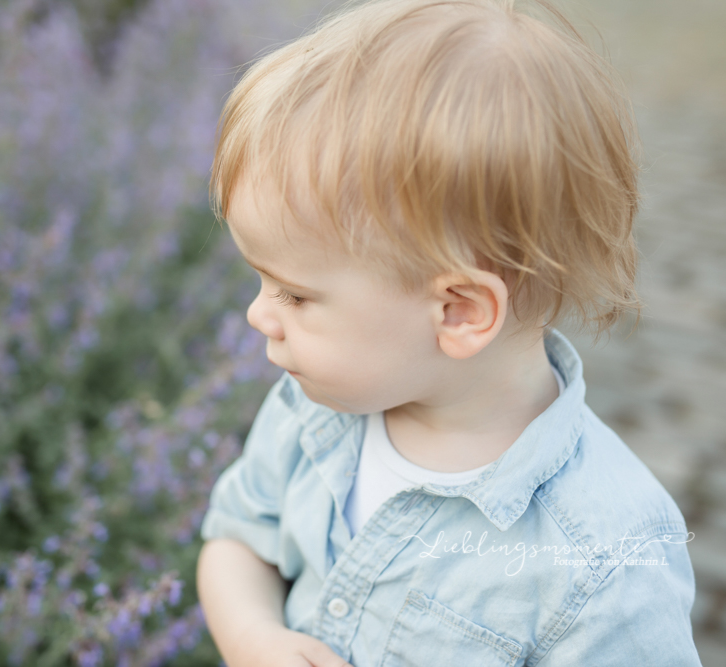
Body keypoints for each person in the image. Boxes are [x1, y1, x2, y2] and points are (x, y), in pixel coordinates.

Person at [195, 1, 701, 665]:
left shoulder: (606, 557)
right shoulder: (310, 410)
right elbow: (237, 539)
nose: (260, 314)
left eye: (296, 293)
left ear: (458, 311)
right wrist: (253, 637)